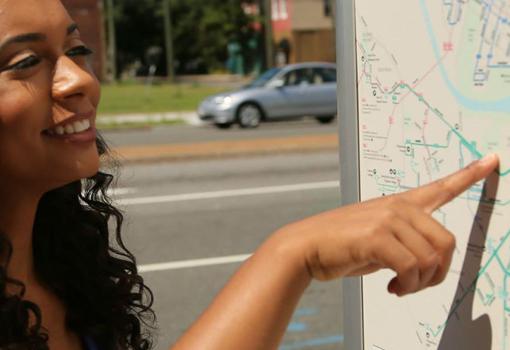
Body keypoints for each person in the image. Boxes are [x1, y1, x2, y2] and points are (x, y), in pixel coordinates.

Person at [0, 1, 500, 349]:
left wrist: (295, 254)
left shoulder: (57, 261)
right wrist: (291, 254)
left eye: (76, 50)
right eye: (26, 62)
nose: (80, 79)